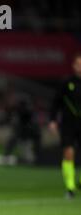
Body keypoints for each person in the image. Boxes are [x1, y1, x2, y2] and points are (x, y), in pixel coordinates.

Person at [49, 53, 81, 199]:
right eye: (78, 64)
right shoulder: (67, 83)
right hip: (68, 124)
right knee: (68, 153)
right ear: (73, 66)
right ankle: (70, 187)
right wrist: (53, 120)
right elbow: (56, 103)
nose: (79, 67)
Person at [4, 94, 41, 163]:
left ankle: (38, 157)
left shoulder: (28, 111)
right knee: (12, 140)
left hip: (28, 130)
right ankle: (6, 156)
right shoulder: (17, 110)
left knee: (37, 138)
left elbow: (31, 122)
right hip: (21, 131)